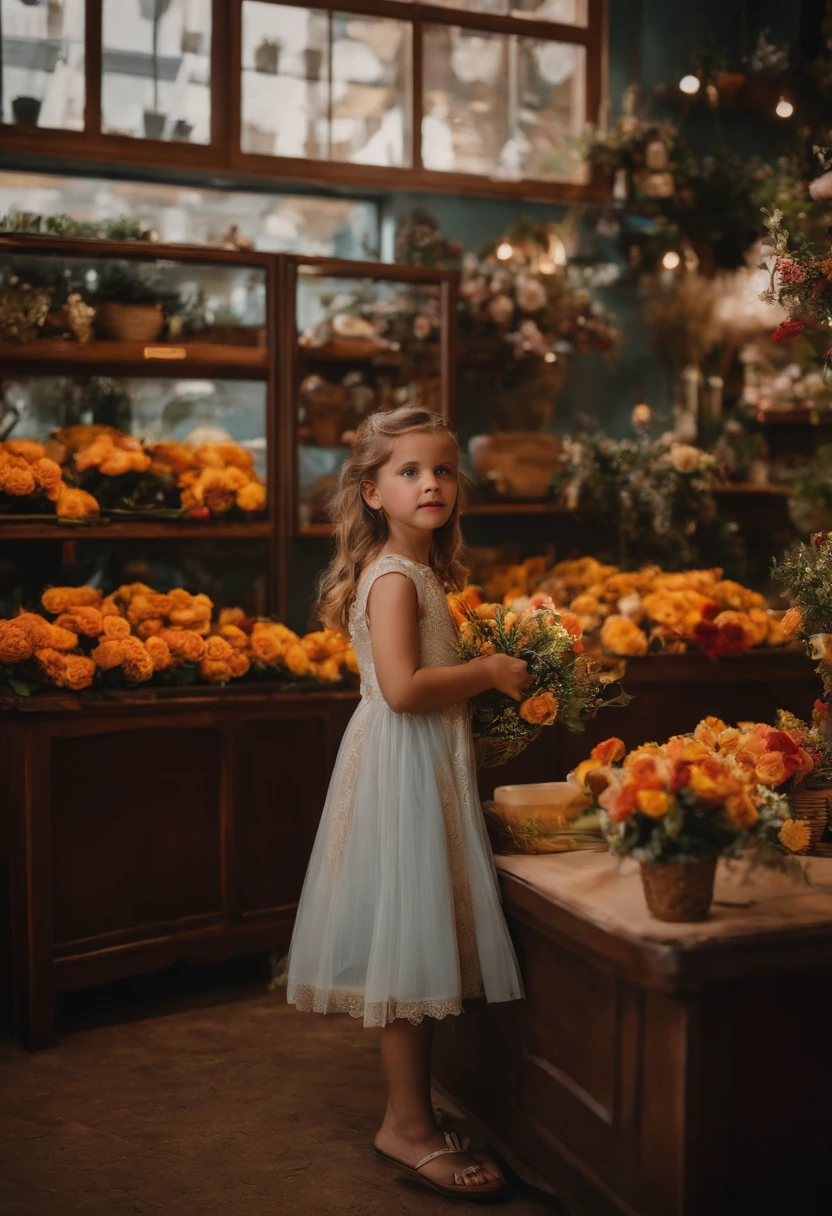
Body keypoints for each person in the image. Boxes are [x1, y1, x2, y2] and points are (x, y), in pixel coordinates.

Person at [286, 405, 528, 1199]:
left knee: (421, 946)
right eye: (410, 471)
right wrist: (489, 672)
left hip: (419, 765)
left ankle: (412, 1113)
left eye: (444, 470)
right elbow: (402, 688)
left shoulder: (419, 571)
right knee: (408, 951)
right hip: (403, 769)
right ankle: (407, 1127)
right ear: (370, 491)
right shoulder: (394, 578)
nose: (432, 483)